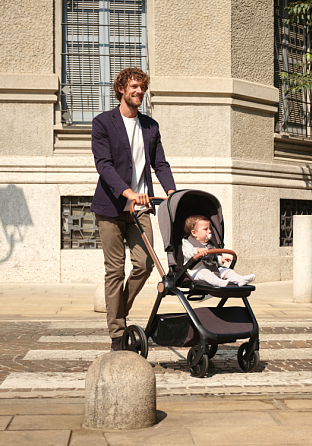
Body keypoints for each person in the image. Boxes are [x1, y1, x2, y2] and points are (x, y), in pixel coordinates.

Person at [90, 67, 176, 351]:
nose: (139, 92)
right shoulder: (103, 123)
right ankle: (117, 332)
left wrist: (172, 192)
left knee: (145, 263)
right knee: (115, 270)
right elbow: (103, 164)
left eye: (142, 87)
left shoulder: (150, 126)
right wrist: (127, 192)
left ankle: (118, 311)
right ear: (121, 89)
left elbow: (159, 163)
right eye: (134, 87)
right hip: (111, 207)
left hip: (141, 208)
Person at [182, 215, 255, 287]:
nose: (209, 231)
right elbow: (187, 252)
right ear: (194, 233)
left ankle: (240, 279)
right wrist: (197, 250)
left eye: (209, 228)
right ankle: (221, 283)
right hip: (195, 272)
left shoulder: (210, 245)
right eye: (206, 229)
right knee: (205, 272)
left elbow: (213, 258)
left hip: (212, 270)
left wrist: (220, 259)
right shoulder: (188, 242)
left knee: (226, 271)